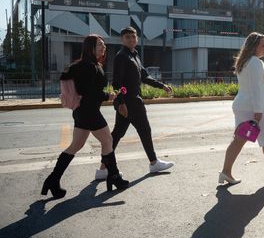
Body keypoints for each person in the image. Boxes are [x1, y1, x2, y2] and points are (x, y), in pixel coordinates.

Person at [41, 35, 129, 198]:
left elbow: (86, 90)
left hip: (82, 112)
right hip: (90, 112)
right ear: (91, 47)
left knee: (76, 145)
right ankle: (114, 176)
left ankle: (53, 179)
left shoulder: (87, 65)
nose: (104, 48)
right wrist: (106, 96)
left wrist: (104, 95)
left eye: (104, 45)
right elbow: (89, 93)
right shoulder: (89, 66)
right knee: (107, 140)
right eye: (100, 45)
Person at [95, 27, 174, 179]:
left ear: (137, 39)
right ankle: (153, 162)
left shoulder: (134, 55)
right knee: (144, 130)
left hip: (131, 101)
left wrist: (162, 86)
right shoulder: (121, 56)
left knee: (117, 134)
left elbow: (144, 76)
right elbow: (117, 83)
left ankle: (103, 169)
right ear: (122, 40)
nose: (131, 39)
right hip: (130, 101)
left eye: (133, 37)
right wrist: (122, 102)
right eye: (127, 37)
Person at [219, 32, 264, 185]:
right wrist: (258, 111)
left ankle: (226, 172)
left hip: (244, 106)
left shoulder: (246, 61)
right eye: (263, 45)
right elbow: (255, 89)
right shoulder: (254, 62)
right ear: (254, 46)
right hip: (255, 108)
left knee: (240, 140)